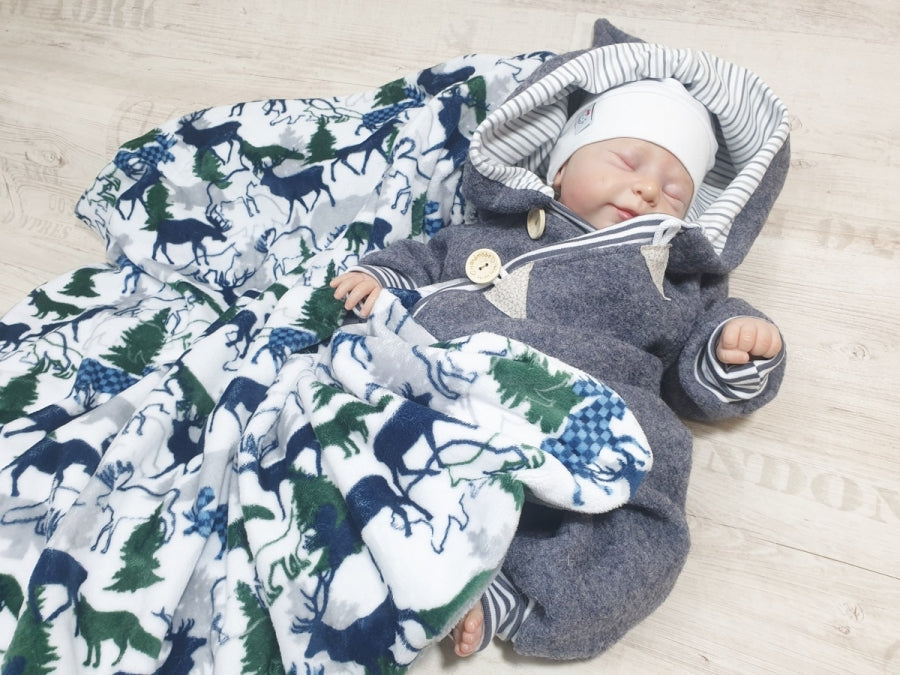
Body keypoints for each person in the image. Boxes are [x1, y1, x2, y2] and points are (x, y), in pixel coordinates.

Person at [330, 66, 787, 659]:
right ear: (561, 168)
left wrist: (735, 345)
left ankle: (513, 595)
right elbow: (426, 258)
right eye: (627, 162)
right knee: (368, 449)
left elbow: (689, 376)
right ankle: (435, 561)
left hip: (592, 418)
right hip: (467, 387)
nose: (650, 190)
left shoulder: (676, 281)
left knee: (646, 534)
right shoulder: (493, 234)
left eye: (676, 191)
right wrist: (381, 277)